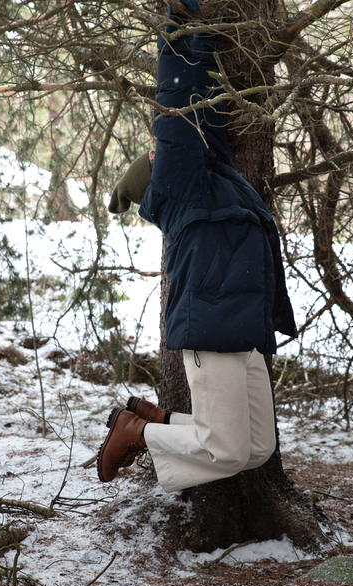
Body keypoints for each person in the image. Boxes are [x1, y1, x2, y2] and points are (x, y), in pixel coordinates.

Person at [98, 3, 296, 493]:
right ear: (160, 173)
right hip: (214, 327)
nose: (157, 151)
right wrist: (179, 18)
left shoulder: (215, 177)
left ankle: (157, 420)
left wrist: (201, 29)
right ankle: (135, 432)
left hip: (243, 328)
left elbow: (202, 100)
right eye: (156, 156)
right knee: (225, 450)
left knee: (257, 449)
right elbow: (177, 99)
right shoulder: (182, 187)